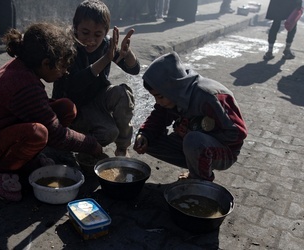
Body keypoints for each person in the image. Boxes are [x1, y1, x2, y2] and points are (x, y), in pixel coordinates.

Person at [0, 22, 103, 202]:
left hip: (9, 124)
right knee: (38, 134)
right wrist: (91, 145)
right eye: (62, 66)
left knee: (66, 107)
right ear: (46, 63)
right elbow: (57, 135)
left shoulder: (24, 66)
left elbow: (39, 109)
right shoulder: (23, 84)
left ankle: (27, 159)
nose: (65, 72)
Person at [133, 52, 248, 181]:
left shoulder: (208, 97)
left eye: (159, 96)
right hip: (193, 143)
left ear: (172, 88)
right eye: (154, 97)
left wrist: (194, 130)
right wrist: (144, 134)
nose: (157, 101)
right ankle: (197, 165)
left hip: (225, 151)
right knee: (148, 141)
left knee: (193, 140)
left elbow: (238, 133)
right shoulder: (172, 94)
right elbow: (159, 116)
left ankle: (200, 182)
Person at [52, 0, 140, 157]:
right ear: (75, 28)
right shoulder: (67, 47)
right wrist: (106, 59)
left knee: (123, 93)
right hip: (71, 108)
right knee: (109, 132)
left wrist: (128, 54)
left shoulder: (106, 45)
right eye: (85, 33)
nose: (91, 40)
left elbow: (134, 69)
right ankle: (76, 144)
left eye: (97, 34)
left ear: (105, 32)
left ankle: (121, 149)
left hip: (96, 100)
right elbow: (74, 85)